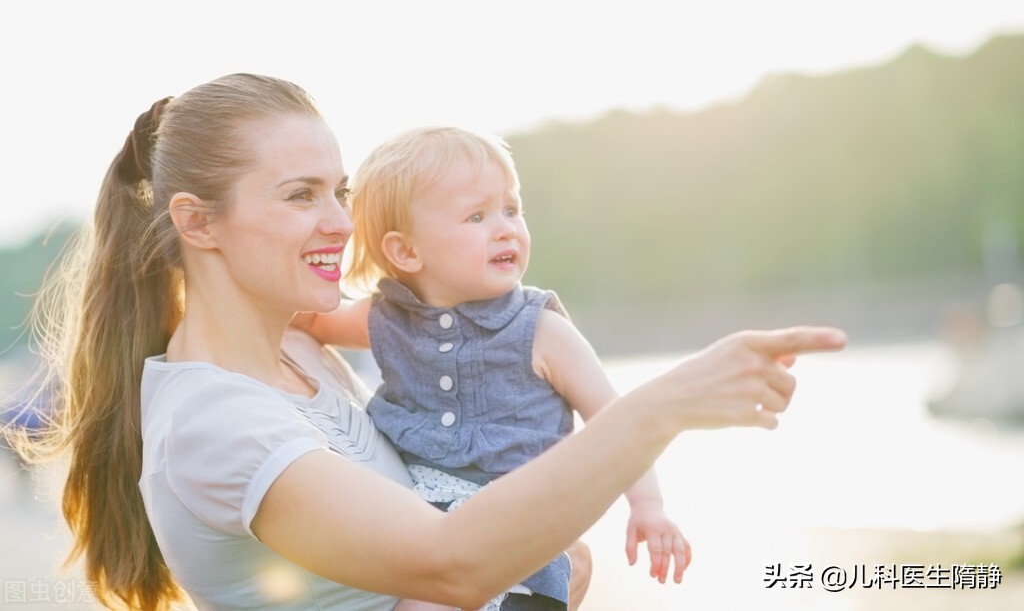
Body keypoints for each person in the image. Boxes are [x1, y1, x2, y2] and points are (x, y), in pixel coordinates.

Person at [6, 72, 847, 611]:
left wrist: (544, 562)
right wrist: (665, 406)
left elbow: (468, 534)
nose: (341, 222)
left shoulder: (300, 353)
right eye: (301, 195)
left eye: (339, 191)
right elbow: (451, 565)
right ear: (196, 222)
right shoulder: (214, 419)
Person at [293, 127, 689, 610]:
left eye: (511, 210)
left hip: (515, 533)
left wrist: (648, 506)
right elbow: (308, 317)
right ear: (406, 252)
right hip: (418, 528)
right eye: (476, 216)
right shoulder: (386, 318)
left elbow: (617, 421)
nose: (505, 228)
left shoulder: (539, 331)